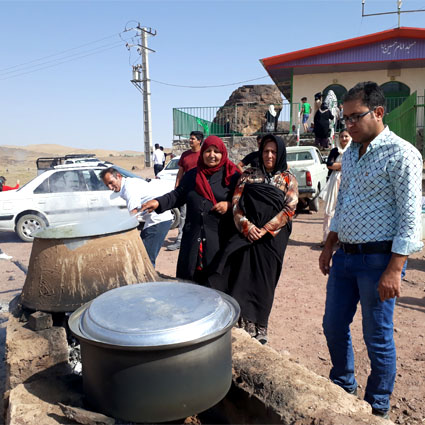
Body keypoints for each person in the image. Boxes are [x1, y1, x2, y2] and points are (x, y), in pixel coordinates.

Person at [319, 82, 423, 419]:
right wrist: (330, 244)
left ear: (378, 112)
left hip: (379, 261)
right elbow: (344, 202)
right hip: (345, 258)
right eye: (345, 119)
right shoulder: (351, 153)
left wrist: (395, 269)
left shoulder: (402, 154)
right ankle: (343, 384)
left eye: (354, 117)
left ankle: (377, 406)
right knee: (333, 325)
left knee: (376, 336)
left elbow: (411, 217)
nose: (348, 125)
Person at [208, 134, 298, 344]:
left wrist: (265, 229)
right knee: (243, 275)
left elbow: (289, 209)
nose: (269, 155)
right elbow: (236, 202)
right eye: (266, 151)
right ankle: (244, 323)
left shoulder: (288, 179)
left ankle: (261, 325)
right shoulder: (248, 175)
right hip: (247, 235)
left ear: (280, 154)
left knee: (265, 280)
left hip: (272, 239)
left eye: (274, 152)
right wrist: (247, 227)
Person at [142, 136, 240, 283]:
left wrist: (229, 205)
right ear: (202, 152)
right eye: (208, 151)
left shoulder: (232, 175)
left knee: (216, 284)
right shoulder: (193, 175)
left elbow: (245, 202)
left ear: (223, 153)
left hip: (219, 239)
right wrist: (158, 202)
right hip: (193, 239)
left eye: (216, 151)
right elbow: (177, 195)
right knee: (190, 284)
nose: (212, 155)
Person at [100, 167, 173, 268]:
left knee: (145, 259)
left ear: (118, 176)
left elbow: (133, 216)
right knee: (141, 253)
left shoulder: (129, 188)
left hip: (158, 221)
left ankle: (148, 277)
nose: (110, 187)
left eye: (111, 183)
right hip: (153, 220)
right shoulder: (127, 184)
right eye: (107, 185)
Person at [167, 130, 204, 251]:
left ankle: (199, 240)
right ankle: (180, 240)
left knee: (199, 214)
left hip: (199, 191)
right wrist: (177, 185)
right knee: (183, 215)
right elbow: (180, 171)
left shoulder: (204, 154)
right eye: (190, 138)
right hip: (186, 190)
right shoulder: (185, 155)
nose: (190, 140)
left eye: (193, 139)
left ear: (199, 141)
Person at [319, 129, 351, 246]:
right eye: (342, 136)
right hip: (335, 181)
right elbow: (329, 164)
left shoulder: (353, 150)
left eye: (346, 136)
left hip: (349, 182)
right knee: (330, 210)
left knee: (346, 210)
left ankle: (343, 239)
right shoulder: (335, 151)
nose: (344, 139)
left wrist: (338, 166)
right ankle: (326, 239)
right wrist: (344, 166)